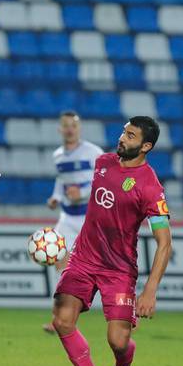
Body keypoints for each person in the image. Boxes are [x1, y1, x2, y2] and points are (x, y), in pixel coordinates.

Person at [51, 116, 172, 366]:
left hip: (118, 269)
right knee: (62, 321)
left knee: (118, 341)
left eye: (130, 136)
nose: (122, 138)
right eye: (123, 132)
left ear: (145, 146)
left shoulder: (150, 187)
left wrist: (150, 291)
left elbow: (164, 243)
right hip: (83, 258)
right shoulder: (103, 162)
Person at [43, 111, 103, 334]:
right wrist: (56, 197)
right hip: (68, 217)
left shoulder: (92, 152)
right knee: (59, 262)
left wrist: (84, 193)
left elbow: (105, 181)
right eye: (66, 126)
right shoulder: (58, 155)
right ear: (60, 129)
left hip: (90, 217)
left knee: (106, 269)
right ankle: (58, 318)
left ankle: (124, 314)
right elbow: (62, 180)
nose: (70, 129)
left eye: (73, 126)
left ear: (79, 129)